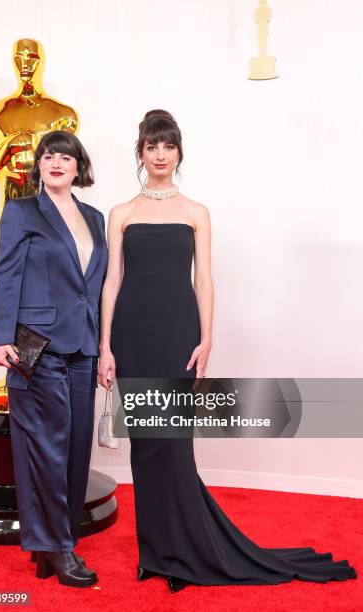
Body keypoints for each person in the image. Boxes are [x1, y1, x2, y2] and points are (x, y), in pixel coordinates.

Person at [97, 110, 357, 592]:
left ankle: (186, 548)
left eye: (168, 146)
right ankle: (154, 552)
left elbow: (205, 279)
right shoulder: (122, 213)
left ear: (178, 152)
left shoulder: (196, 212)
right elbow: (112, 282)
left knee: (173, 445)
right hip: (132, 333)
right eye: (152, 146)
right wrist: (105, 345)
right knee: (145, 447)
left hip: (177, 331)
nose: (160, 155)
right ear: (140, 153)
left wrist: (207, 337)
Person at [0, 130, 108, 588]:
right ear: (39, 165)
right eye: (49, 155)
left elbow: (95, 289)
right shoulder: (21, 212)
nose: (57, 162)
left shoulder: (95, 218)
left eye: (66, 156)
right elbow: (7, 275)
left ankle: (55, 542)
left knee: (75, 450)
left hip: (83, 348)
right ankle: (58, 549)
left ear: (79, 166)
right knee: (46, 450)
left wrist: (107, 346)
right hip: (34, 344)